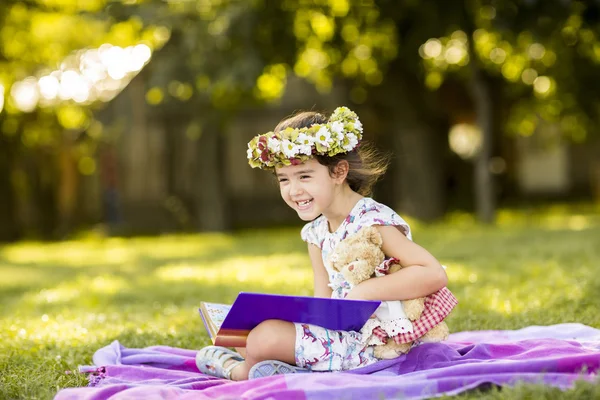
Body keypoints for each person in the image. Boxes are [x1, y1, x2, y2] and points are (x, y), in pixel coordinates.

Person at [195, 107, 457, 381]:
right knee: (245, 333)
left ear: (339, 172)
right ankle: (274, 363)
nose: (293, 190)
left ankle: (238, 370)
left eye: (304, 176)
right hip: (339, 334)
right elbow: (323, 301)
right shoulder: (317, 233)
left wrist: (366, 291)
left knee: (263, 339)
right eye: (284, 179)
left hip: (378, 343)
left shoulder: (372, 220)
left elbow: (433, 273)